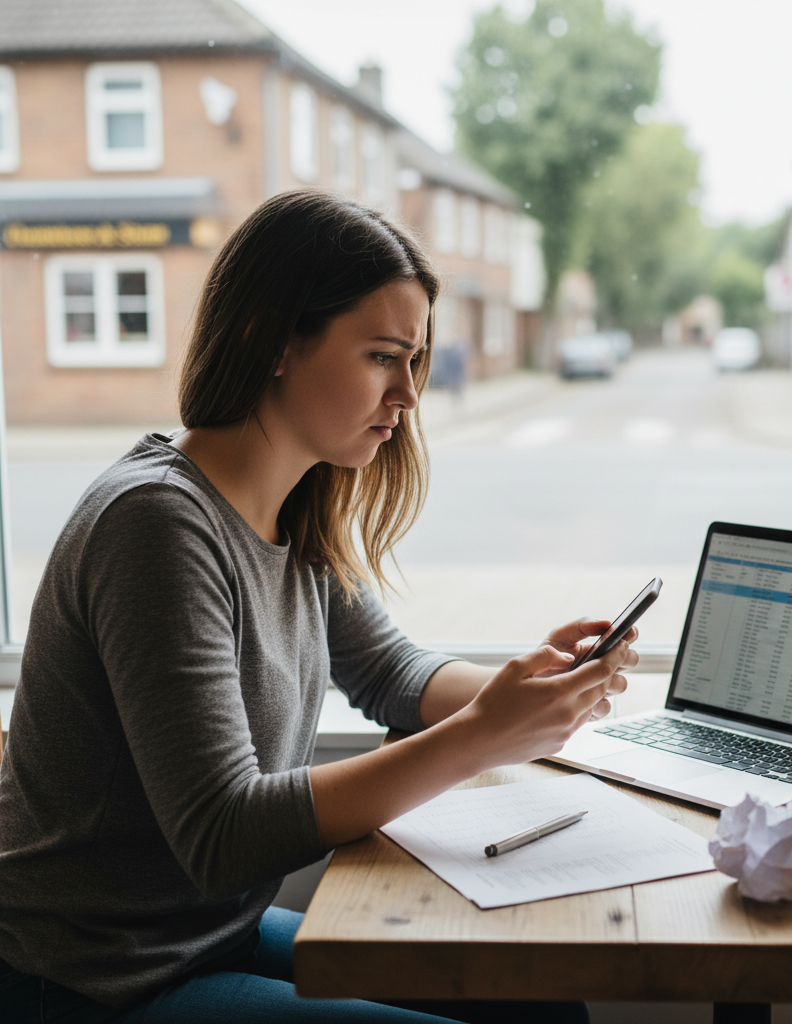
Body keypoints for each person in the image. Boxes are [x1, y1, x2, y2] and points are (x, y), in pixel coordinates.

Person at [0, 190, 637, 1024]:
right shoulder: (155, 523)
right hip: (92, 979)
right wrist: (485, 733)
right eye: (382, 357)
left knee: (541, 1005)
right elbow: (224, 834)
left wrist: (536, 691)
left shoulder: (292, 506)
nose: (408, 395)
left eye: (414, 360)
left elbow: (390, 671)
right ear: (268, 341)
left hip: (205, 936)